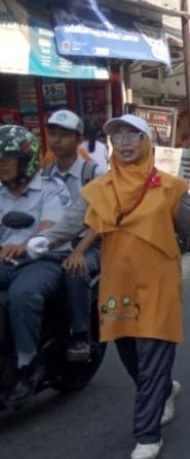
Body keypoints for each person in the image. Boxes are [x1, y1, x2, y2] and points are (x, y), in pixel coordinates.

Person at [27, 114, 190, 459]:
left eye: (133, 136)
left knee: (153, 348)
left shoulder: (168, 188)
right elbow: (72, 221)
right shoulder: (100, 189)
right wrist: (44, 241)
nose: (125, 143)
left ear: (147, 144)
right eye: (118, 137)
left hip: (158, 282)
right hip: (118, 281)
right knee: (128, 350)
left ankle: (146, 432)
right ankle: (163, 390)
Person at [0, 125, 70, 404]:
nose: (2, 165)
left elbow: (50, 225)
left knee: (22, 295)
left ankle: (26, 366)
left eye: (8, 159)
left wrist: (26, 243)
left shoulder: (52, 188)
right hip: (5, 260)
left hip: (43, 260)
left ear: (26, 160)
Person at [43, 110, 106, 362]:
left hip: (90, 243)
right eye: (53, 134)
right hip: (53, 242)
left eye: (64, 135)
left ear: (78, 139)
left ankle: (80, 335)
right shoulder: (44, 174)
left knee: (74, 270)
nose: (57, 140)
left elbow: (102, 219)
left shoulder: (93, 173)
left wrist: (79, 250)